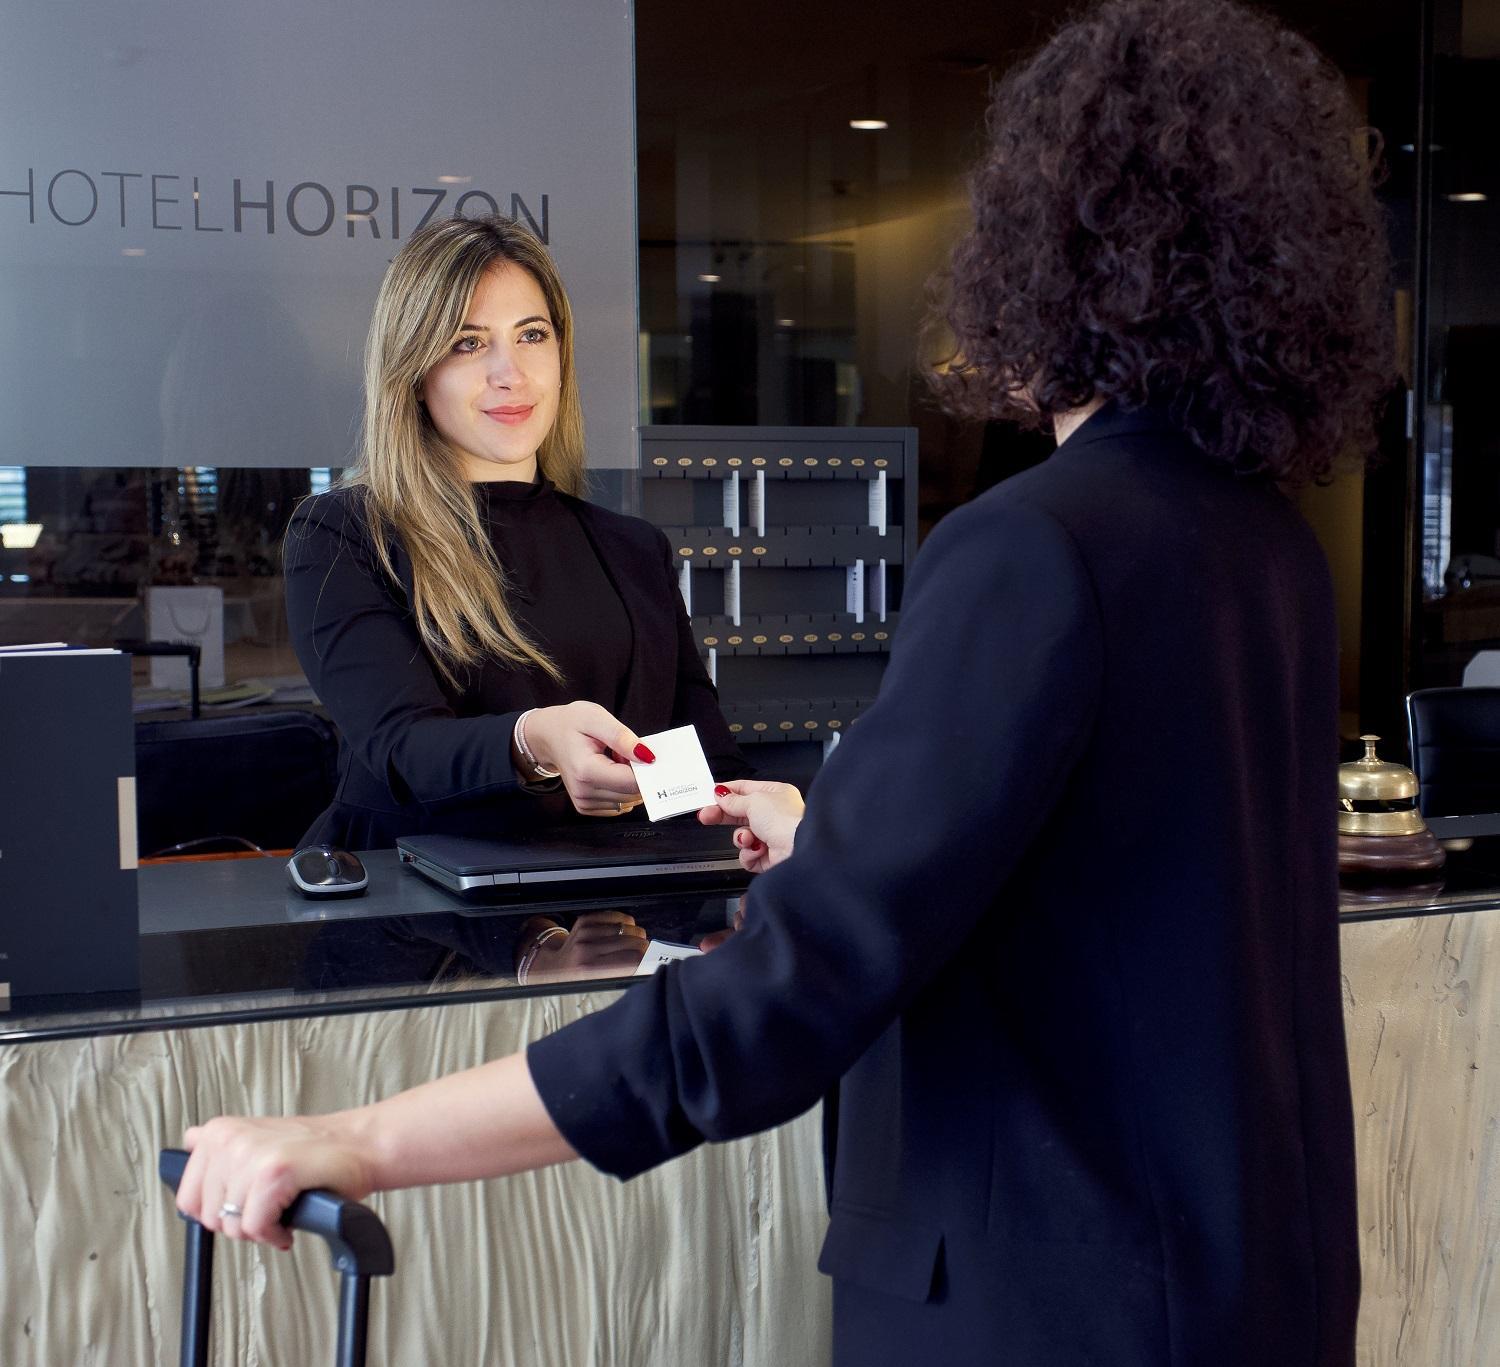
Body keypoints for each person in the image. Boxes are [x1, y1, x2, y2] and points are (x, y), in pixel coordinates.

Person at [177, 2, 1393, 1362]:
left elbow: (790, 992)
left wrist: (362, 1138)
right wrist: (839, 835)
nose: (507, 369)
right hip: (1258, 1286)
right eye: (468, 341)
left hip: (1051, 1303)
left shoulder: (1034, 547)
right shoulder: (1267, 545)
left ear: (1050, 258)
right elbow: (1110, 888)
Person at [283, 214, 744, 852]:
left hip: (612, 896)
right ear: (414, 372)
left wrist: (748, 809)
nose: (511, 373)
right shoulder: (342, 534)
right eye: (468, 343)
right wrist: (534, 743)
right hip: (412, 896)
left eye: (532, 335)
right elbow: (401, 749)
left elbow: (702, 762)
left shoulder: (635, 549)